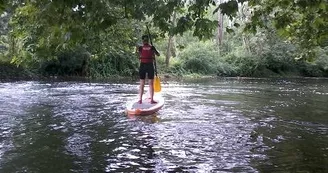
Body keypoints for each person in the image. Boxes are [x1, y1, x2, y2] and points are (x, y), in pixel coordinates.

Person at [137, 35, 160, 104]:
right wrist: (153, 51)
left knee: (142, 83)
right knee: (150, 84)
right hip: (149, 66)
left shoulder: (140, 48)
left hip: (143, 65)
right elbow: (158, 54)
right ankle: (151, 100)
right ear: (148, 40)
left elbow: (138, 56)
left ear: (143, 41)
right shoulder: (152, 47)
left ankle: (140, 100)